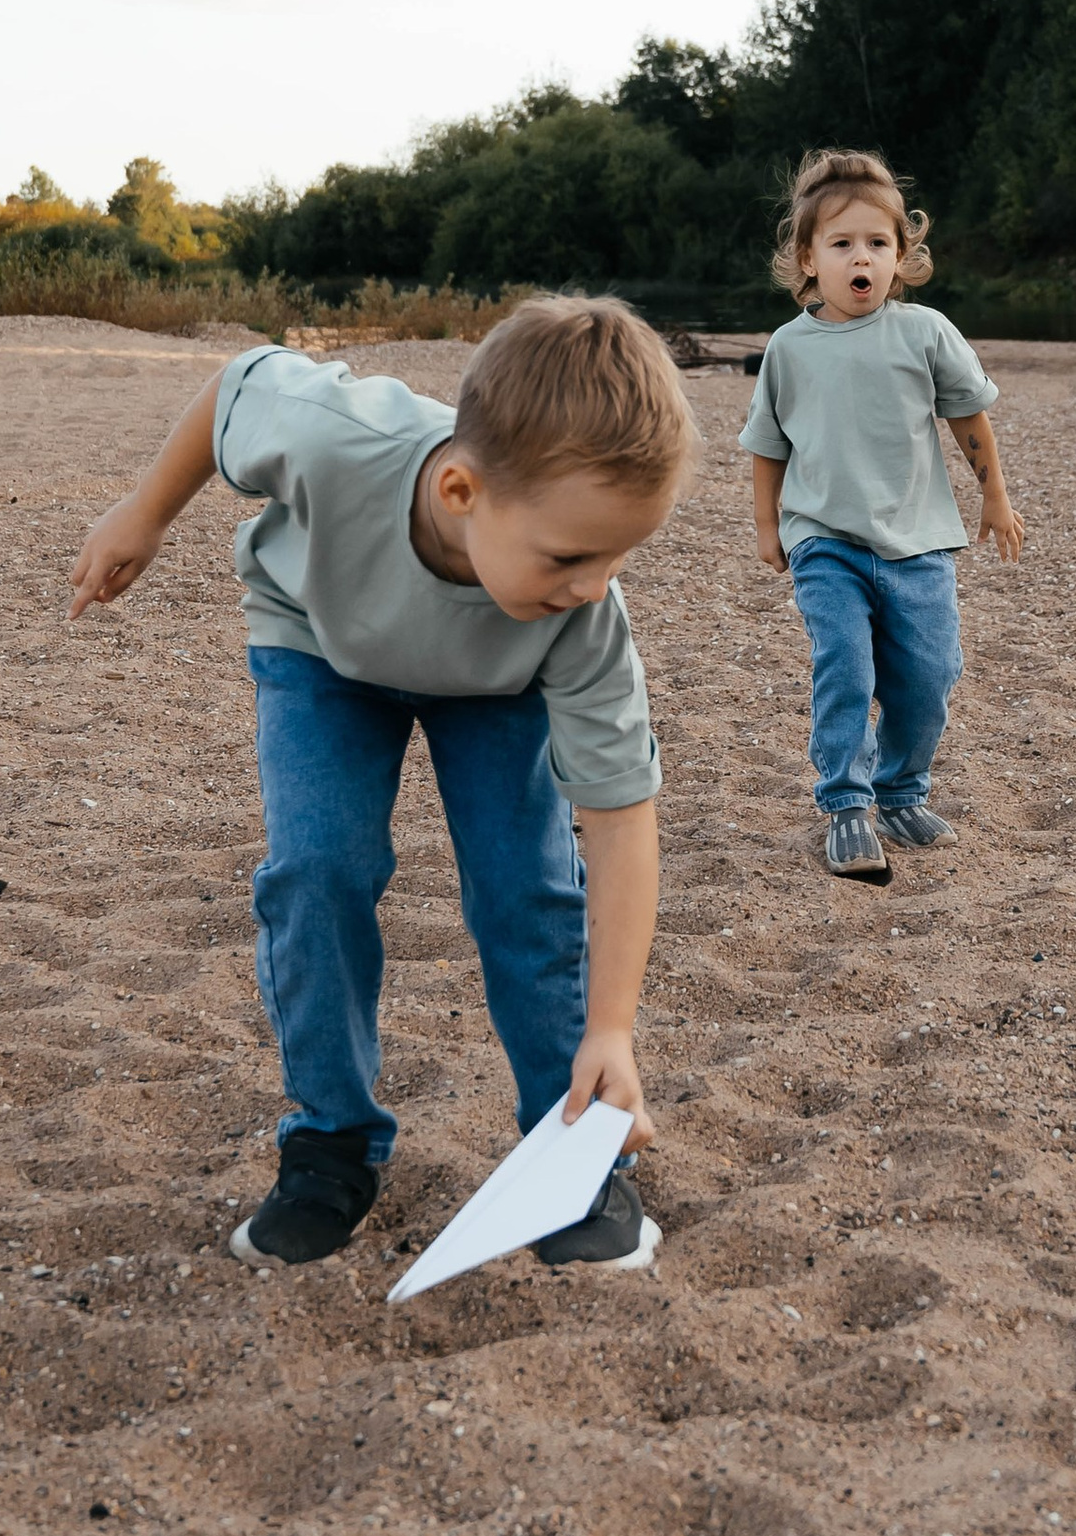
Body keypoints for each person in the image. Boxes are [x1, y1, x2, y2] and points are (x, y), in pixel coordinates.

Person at [68, 294, 695, 1275]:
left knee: (526, 897)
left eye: (620, 554)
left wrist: (612, 1026)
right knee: (318, 870)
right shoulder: (334, 438)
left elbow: (620, 824)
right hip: (321, 643)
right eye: (570, 554)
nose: (593, 582)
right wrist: (143, 513)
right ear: (459, 492)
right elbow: (236, 381)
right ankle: (330, 1147)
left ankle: (568, 1155)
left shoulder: (576, 616)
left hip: (498, 682)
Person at [740, 148, 1022, 883]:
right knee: (846, 667)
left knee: (928, 678)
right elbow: (768, 446)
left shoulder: (925, 332)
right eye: (841, 244)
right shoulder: (789, 349)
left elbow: (968, 415)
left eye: (877, 243)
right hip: (824, 540)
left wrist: (993, 493)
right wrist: (770, 527)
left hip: (919, 544)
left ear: (901, 256)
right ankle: (846, 804)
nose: (860, 258)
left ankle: (900, 791)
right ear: (809, 257)